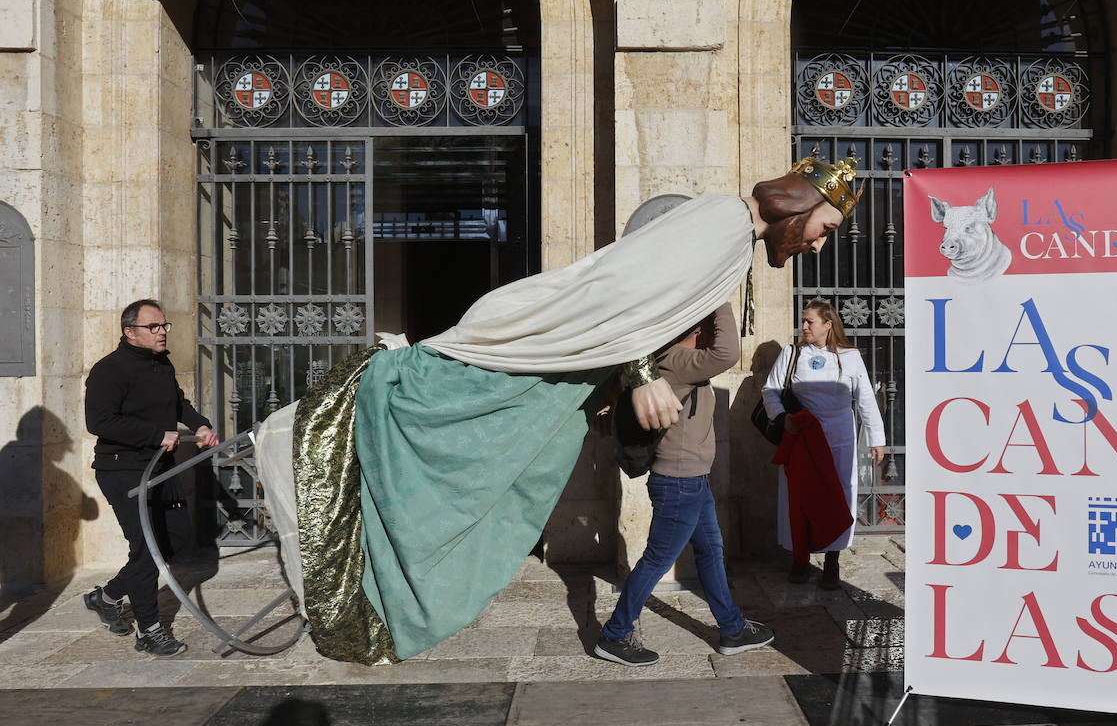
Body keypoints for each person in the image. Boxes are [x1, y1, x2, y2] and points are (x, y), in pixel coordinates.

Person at [254, 156, 863, 664]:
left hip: (577, 364)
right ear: (798, 206)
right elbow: (624, 286)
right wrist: (643, 373)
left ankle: (726, 624)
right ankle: (341, 422)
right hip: (560, 341)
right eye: (826, 227)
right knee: (461, 408)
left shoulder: (733, 237)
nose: (820, 241)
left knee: (503, 446)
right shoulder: (726, 226)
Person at [595, 303, 774, 666]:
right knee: (657, 559)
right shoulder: (675, 360)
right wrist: (720, 297)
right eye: (707, 326)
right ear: (696, 328)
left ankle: (732, 629)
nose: (712, 334)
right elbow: (728, 352)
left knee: (710, 551)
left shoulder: (679, 361)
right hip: (679, 483)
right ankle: (614, 634)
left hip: (692, 481)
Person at [84, 299, 221, 657]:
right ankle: (150, 630)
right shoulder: (109, 370)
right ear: (130, 332)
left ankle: (108, 595)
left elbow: (178, 404)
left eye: (164, 326)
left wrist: (200, 424)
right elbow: (99, 422)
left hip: (160, 467)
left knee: (175, 537)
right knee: (146, 550)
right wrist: (155, 434)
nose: (162, 332)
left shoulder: (161, 364)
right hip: (123, 470)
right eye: (154, 327)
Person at [762, 298, 885, 589]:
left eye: (810, 321)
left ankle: (832, 559)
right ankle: (800, 559)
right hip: (803, 436)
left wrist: (877, 438)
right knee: (800, 495)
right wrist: (783, 418)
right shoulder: (791, 354)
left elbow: (865, 398)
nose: (803, 326)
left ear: (827, 325)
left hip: (839, 436)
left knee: (838, 494)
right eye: (803, 321)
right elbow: (771, 391)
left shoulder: (851, 356)